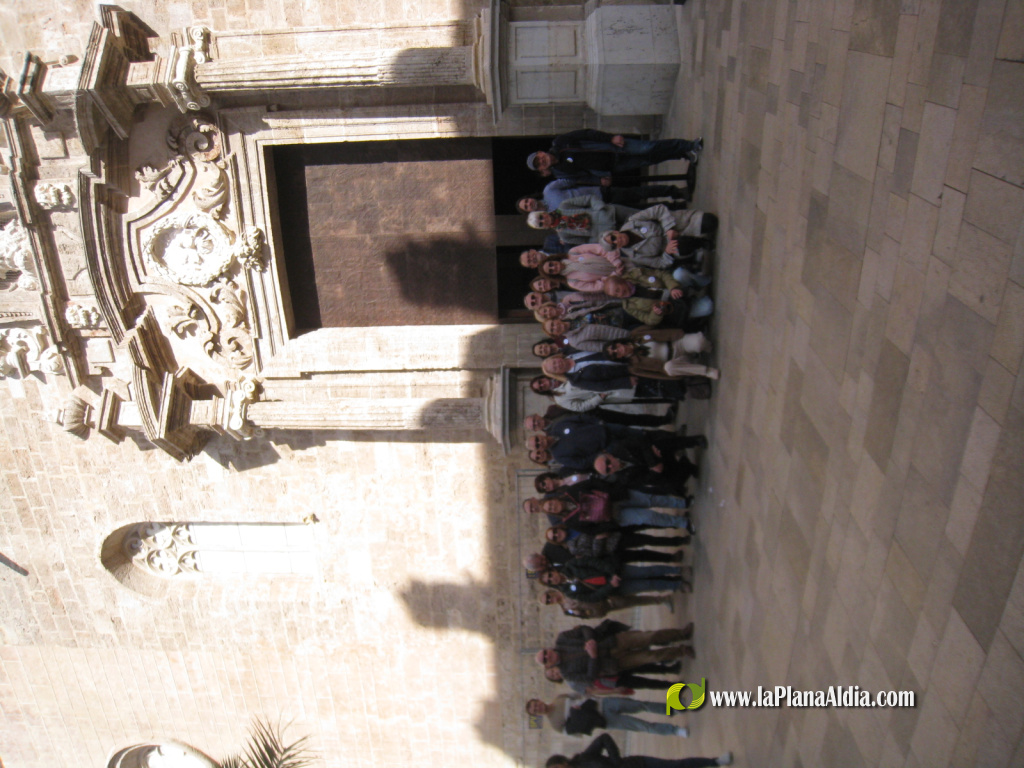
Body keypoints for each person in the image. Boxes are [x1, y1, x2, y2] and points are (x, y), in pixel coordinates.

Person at [535, 620, 695, 688]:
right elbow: (590, 677)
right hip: (612, 663)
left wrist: (589, 640)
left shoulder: (562, 639)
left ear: (547, 649)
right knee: (650, 657)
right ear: (548, 664)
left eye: (545, 653)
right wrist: (593, 656)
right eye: (545, 660)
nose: (548, 656)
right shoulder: (567, 674)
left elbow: (584, 629)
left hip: (612, 642)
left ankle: (681, 634)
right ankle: (680, 651)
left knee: (648, 637)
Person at [527, 130, 703, 182]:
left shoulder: (561, 142)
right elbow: (583, 177)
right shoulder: (560, 173)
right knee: (650, 159)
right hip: (613, 166)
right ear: (543, 169)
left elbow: (587, 134)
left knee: (649, 147)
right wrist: (600, 179)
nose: (542, 161)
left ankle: (690, 144)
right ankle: (683, 154)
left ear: (541, 152)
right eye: (539, 164)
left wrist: (610, 138)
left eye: (540, 158)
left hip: (614, 147)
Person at [525, 695, 690, 737]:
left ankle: (673, 708)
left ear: (539, 700)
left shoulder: (559, 698)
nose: (537, 708)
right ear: (536, 715)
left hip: (604, 704)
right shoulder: (555, 724)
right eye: (535, 711)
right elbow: (577, 732)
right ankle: (674, 731)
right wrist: (578, 716)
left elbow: (580, 694)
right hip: (605, 720)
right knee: (643, 726)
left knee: (640, 704)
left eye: (535, 704)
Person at [546, 734, 733, 768]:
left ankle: (714, 762)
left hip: (636, 764)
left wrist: (616, 760)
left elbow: (603, 738)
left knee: (676, 765)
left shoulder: (583, 759)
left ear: (562, 762)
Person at [604, 331, 719, 381]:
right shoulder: (634, 366)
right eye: (615, 355)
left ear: (617, 343)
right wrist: (673, 376)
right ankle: (706, 371)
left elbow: (657, 326)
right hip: (673, 361)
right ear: (618, 358)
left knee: (700, 342)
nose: (617, 351)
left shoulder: (636, 335)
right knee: (669, 368)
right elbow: (656, 375)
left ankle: (702, 348)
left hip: (675, 343)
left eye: (614, 347)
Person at [540, 589, 673, 619]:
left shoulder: (566, 590)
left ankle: (661, 591)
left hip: (605, 596)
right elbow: (584, 616)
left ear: (550, 592)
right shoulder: (565, 610)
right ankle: (661, 600)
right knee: (633, 602)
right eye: (548, 602)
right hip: (604, 608)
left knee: (633, 593)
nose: (550, 600)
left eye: (548, 597)